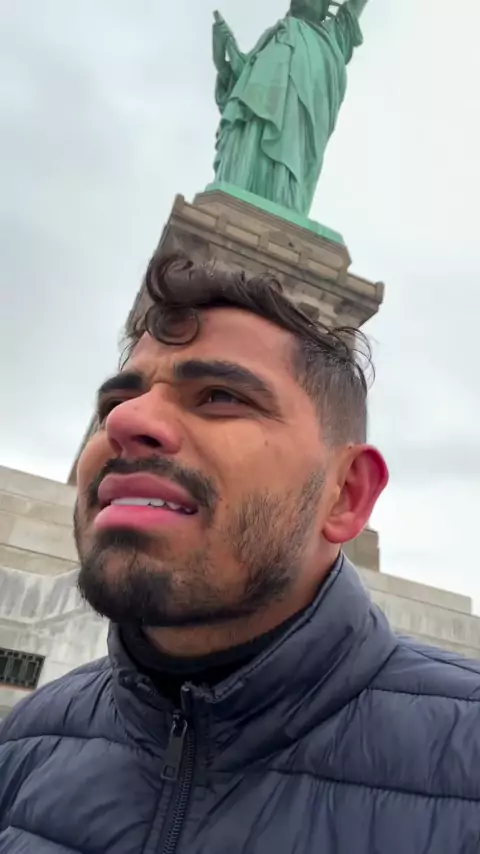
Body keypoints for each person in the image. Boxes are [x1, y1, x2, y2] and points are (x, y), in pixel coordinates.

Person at [1, 254, 480, 854]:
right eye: (113, 404)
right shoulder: (25, 740)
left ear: (346, 494)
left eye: (219, 396)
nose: (125, 421)